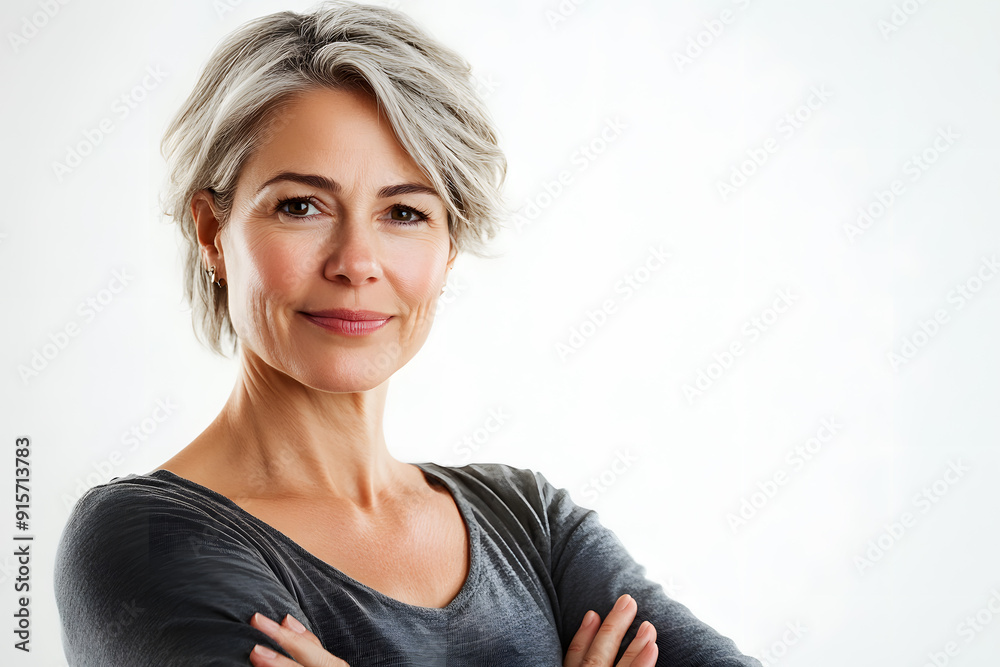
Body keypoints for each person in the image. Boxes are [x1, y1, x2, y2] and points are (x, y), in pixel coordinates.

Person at [53, 2, 761, 665]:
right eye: (301, 205)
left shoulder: (530, 522)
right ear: (213, 232)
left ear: (449, 246)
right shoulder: (144, 537)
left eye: (405, 214)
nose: (356, 263)